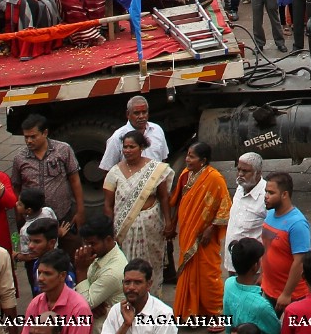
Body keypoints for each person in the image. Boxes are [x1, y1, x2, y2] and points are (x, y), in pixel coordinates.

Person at [165, 141, 229, 321]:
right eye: (187, 155)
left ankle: (215, 313)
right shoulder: (185, 175)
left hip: (205, 236)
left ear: (204, 160)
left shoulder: (215, 178)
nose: (187, 160)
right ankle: (190, 313)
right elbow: (178, 201)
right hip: (187, 232)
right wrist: (172, 224)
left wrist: (211, 229)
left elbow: (224, 207)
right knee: (187, 271)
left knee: (208, 273)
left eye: (191, 157)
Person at [102, 133, 170, 286]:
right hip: (124, 230)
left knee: (152, 265)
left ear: (142, 148)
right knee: (126, 264)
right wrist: (110, 229)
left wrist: (168, 221)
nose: (127, 150)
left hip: (152, 227)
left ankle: (152, 300)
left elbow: (164, 197)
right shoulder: (114, 172)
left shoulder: (155, 169)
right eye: (125, 147)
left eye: (132, 147)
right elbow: (108, 204)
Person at [13, 117, 86, 235]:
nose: (29, 141)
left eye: (33, 136)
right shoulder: (19, 158)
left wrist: (80, 210)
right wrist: (18, 215)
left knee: (70, 247)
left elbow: (74, 180)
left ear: (45, 133)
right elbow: (16, 187)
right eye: (26, 137)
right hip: (33, 219)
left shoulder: (63, 150)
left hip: (62, 215)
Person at [258, 173, 311, 306]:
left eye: (271, 192)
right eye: (266, 191)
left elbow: (299, 262)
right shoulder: (270, 215)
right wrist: (262, 276)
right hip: (269, 289)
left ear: (284, 195)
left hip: (293, 296)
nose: (266, 196)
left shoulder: (297, 224)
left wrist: (287, 294)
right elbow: (266, 248)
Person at [97, 100, 172, 172]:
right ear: (128, 114)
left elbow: (163, 160)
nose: (141, 116)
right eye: (137, 113)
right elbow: (107, 170)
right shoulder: (117, 137)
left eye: (144, 112)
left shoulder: (157, 130)